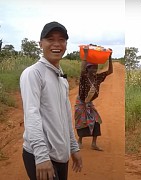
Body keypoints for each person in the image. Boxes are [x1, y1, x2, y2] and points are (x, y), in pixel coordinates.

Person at [20, 21, 82, 180]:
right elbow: (31, 115)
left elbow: (66, 117)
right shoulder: (33, 74)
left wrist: (73, 147)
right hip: (41, 156)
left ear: (66, 44)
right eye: (50, 39)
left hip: (61, 155)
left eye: (61, 39)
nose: (56, 44)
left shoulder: (62, 78)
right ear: (41, 43)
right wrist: (41, 156)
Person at [74, 45, 113, 151]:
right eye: (93, 68)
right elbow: (82, 69)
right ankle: (79, 141)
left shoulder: (97, 78)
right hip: (81, 103)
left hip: (89, 103)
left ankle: (94, 144)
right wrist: (86, 54)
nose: (95, 70)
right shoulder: (84, 77)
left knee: (96, 121)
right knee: (81, 122)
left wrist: (109, 57)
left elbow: (110, 72)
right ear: (88, 68)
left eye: (96, 68)